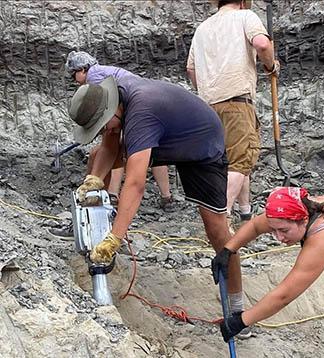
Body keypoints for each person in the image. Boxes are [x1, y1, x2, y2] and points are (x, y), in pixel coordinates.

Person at [67, 75, 248, 323]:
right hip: (167, 135)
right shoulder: (115, 101)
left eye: (103, 124)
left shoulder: (141, 114)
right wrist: (93, 179)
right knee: (106, 147)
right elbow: (109, 146)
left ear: (111, 110)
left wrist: (115, 239)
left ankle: (237, 310)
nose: (105, 131)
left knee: (216, 230)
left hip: (201, 145)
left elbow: (135, 184)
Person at [212, 186, 324, 357]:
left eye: (283, 231)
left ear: (304, 221)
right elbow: (255, 226)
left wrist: (242, 320)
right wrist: (228, 250)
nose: (279, 238)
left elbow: (284, 295)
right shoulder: (292, 211)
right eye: (274, 230)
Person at [186, 0, 279, 231]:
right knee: (241, 159)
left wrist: (207, 90)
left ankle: (245, 212)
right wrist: (270, 66)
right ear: (242, 1)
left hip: (207, 108)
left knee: (229, 161)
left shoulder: (203, 28)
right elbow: (262, 44)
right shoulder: (245, 16)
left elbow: (191, 69)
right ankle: (221, 220)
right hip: (237, 101)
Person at [65, 51, 174, 211]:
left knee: (112, 148)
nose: (75, 82)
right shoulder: (105, 72)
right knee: (146, 150)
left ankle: (109, 197)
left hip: (139, 109)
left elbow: (111, 137)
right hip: (149, 107)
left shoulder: (94, 81)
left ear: (82, 69)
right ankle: (166, 197)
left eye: (73, 75)